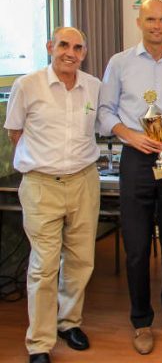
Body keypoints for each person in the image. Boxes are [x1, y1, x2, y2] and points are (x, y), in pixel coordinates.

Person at [98, 0, 162, 355]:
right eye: (150, 19)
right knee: (137, 248)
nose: (156, 25)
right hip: (137, 159)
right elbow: (105, 113)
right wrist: (129, 134)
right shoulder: (120, 63)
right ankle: (141, 321)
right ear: (139, 21)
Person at [4, 27, 100, 363]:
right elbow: (15, 132)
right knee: (43, 266)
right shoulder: (27, 85)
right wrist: (43, 162)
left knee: (80, 260)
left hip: (85, 182)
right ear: (50, 47)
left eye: (77, 47)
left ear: (84, 53)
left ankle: (69, 322)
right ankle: (40, 343)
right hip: (42, 185)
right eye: (63, 45)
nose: (69, 53)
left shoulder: (93, 86)